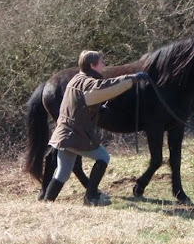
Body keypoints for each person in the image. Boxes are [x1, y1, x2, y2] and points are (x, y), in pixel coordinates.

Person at [41, 50, 149, 206]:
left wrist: (97, 109)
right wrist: (133, 78)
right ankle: (91, 197)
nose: (104, 65)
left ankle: (47, 202)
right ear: (92, 65)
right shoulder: (89, 84)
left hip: (63, 134)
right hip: (75, 135)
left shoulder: (77, 79)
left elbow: (79, 104)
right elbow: (109, 87)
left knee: (62, 172)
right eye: (101, 62)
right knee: (103, 157)